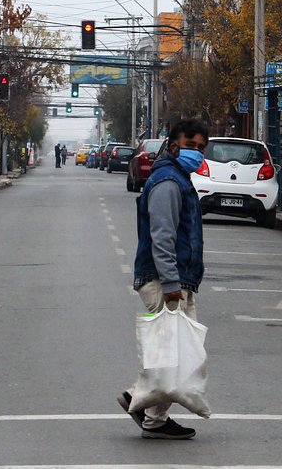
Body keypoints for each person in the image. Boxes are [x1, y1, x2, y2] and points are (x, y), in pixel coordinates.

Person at [118, 118, 209, 440]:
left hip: (177, 279)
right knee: (178, 354)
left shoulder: (178, 178)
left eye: (201, 147)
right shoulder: (169, 182)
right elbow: (162, 237)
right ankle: (138, 400)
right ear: (173, 145)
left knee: (177, 354)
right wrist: (171, 285)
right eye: (190, 145)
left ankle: (151, 415)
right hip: (164, 280)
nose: (196, 152)